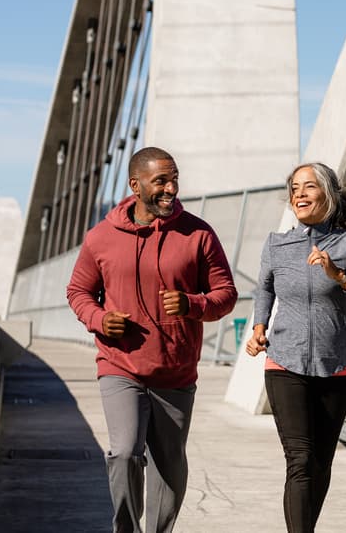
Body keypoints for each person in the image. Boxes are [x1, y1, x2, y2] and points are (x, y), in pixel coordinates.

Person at [66, 146, 238, 533]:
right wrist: (99, 319)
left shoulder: (198, 234)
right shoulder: (101, 237)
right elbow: (78, 291)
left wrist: (193, 304)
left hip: (175, 370)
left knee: (169, 466)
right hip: (120, 365)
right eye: (161, 181)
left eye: (174, 179)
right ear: (135, 184)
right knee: (125, 453)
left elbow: (226, 294)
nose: (171, 188)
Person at [245, 162, 346, 533]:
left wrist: (339, 277)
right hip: (285, 363)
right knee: (301, 460)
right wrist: (259, 328)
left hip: (337, 367)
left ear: (328, 193)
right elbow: (264, 289)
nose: (299, 194)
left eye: (308, 186)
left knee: (321, 463)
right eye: (294, 188)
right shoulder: (276, 244)